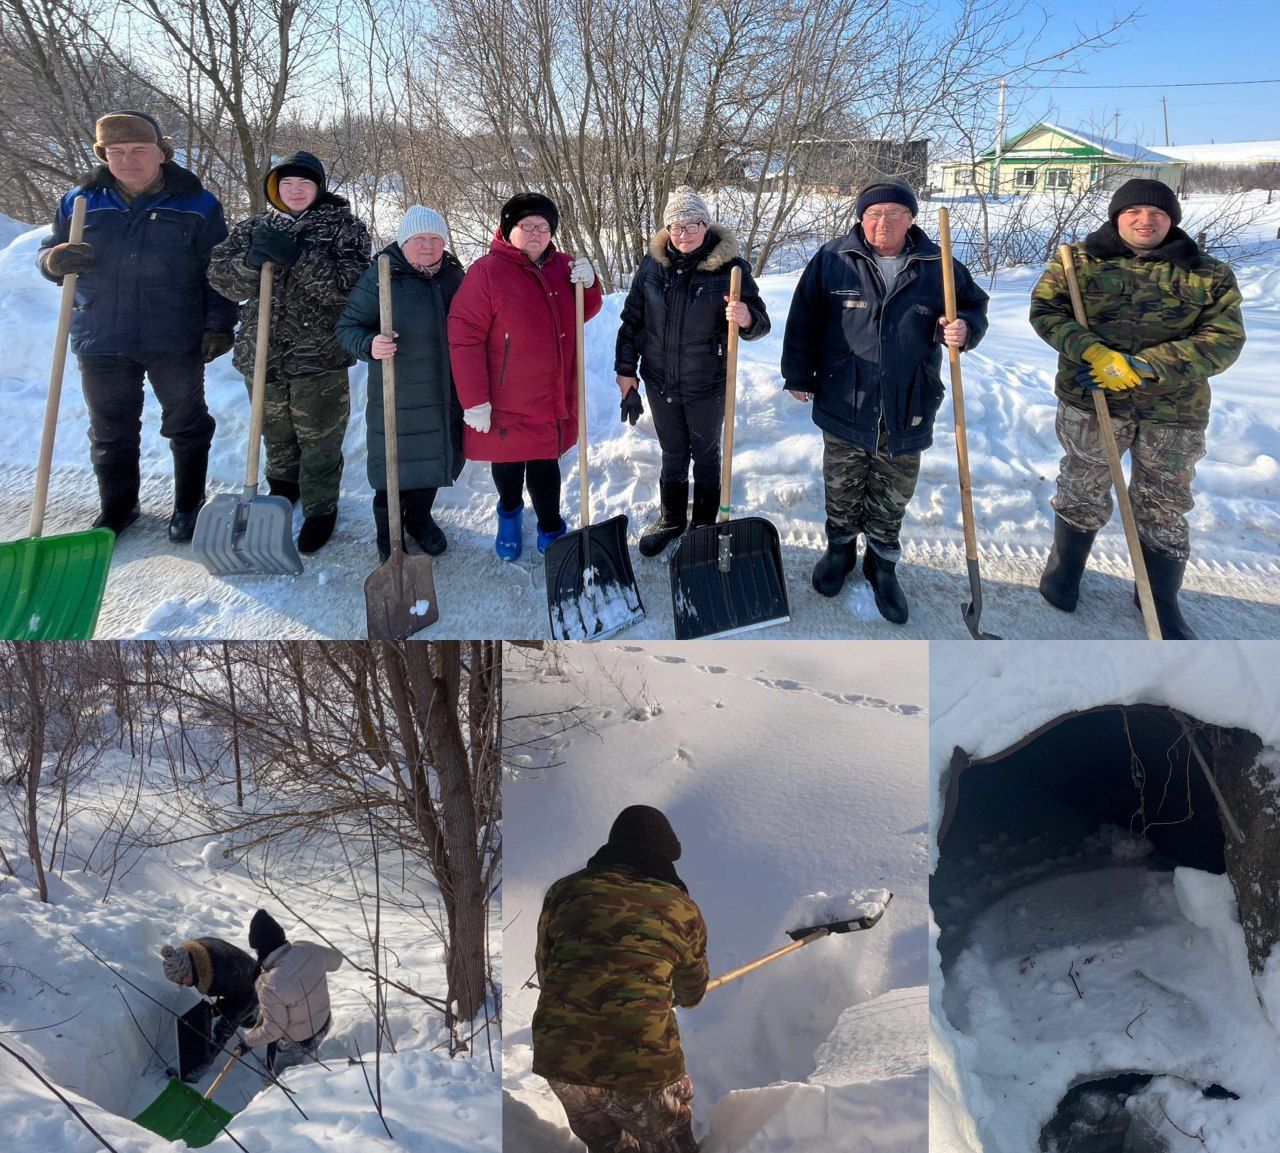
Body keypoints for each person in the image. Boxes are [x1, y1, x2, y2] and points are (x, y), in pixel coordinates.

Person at [1029, 178, 1246, 639]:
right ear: (1117, 217)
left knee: (1164, 501)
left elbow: (1224, 341)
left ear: (1172, 220)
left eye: (1157, 214)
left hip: (1173, 410)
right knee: (1082, 484)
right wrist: (1092, 352)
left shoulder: (1208, 273)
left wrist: (1143, 367)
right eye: (1134, 212)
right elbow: (1046, 312)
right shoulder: (1079, 261)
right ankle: (1064, 573)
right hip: (1091, 400)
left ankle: (1158, 596)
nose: (1145, 220)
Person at [781, 178, 989, 624]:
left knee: (892, 493)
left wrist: (965, 328)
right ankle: (839, 553)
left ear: (911, 219)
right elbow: (803, 318)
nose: (883, 222)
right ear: (861, 218)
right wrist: (797, 374)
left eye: (894, 213)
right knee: (841, 485)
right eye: (874, 214)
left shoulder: (938, 263)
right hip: (844, 396)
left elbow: (974, 305)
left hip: (908, 399)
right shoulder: (833, 259)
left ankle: (882, 564)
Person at [37, 110, 237, 542]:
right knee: (110, 428)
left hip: (174, 333)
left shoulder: (197, 203)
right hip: (100, 336)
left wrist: (219, 323)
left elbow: (216, 270)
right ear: (104, 155)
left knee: (186, 423)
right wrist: (53, 261)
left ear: (160, 153)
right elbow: (50, 250)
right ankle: (118, 507)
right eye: (117, 152)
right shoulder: (80, 201)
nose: (128, 160)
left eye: (139, 150)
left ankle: (187, 507)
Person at [208, 151, 371, 554]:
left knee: (319, 439)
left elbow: (349, 290)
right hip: (260, 353)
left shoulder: (344, 229)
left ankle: (320, 507)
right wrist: (250, 263)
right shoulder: (255, 228)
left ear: (318, 188)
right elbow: (221, 279)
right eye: (287, 184)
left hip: (318, 358)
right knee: (275, 432)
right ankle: (282, 490)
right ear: (274, 188)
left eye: (304, 184)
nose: (295, 191)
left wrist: (298, 259)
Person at [533, 805, 708, 1153]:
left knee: (611, 1148)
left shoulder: (564, 892)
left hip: (561, 1058)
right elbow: (692, 989)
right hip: (641, 1068)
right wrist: (675, 994)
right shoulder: (681, 908)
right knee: (669, 1148)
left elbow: (546, 969)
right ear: (665, 857)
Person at [614, 186, 771, 555]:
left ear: (706, 224)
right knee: (672, 452)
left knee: (705, 454)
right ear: (667, 229)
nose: (684, 233)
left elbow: (761, 321)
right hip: (660, 379)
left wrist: (746, 317)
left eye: (693, 224)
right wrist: (626, 371)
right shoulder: (652, 266)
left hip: (707, 383)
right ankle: (671, 520)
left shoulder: (731, 269)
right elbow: (632, 322)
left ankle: (702, 524)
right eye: (676, 225)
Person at [448, 192, 603, 561]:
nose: (536, 232)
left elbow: (585, 310)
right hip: (505, 399)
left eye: (544, 227)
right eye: (527, 225)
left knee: (546, 464)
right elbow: (463, 336)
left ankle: (550, 526)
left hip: (552, 392)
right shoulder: (486, 272)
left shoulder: (563, 266)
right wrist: (474, 400)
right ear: (508, 229)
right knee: (508, 464)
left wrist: (591, 284)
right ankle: (509, 517)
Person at [336, 206, 465, 561]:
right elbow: (347, 329)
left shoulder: (454, 275)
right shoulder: (382, 275)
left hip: (444, 392)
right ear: (403, 241)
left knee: (435, 462)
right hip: (400, 396)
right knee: (394, 468)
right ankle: (389, 534)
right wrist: (369, 344)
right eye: (419, 239)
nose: (428, 246)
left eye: (436, 239)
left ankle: (420, 521)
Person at [235, 909, 342, 1075]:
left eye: (256, 949)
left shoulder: (268, 984)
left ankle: (277, 1084)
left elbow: (274, 1030)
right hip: (324, 1021)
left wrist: (248, 1041)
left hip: (300, 1040)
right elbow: (337, 960)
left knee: (286, 1074)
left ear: (262, 949)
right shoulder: (307, 948)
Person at [159, 936, 260, 1071]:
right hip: (238, 980)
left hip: (255, 986)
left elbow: (247, 998)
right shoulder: (195, 956)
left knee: (224, 1028)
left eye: (180, 980)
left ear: (188, 971)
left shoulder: (223, 973)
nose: (181, 984)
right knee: (235, 1015)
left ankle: (201, 1066)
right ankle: (250, 1020)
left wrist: (226, 1024)